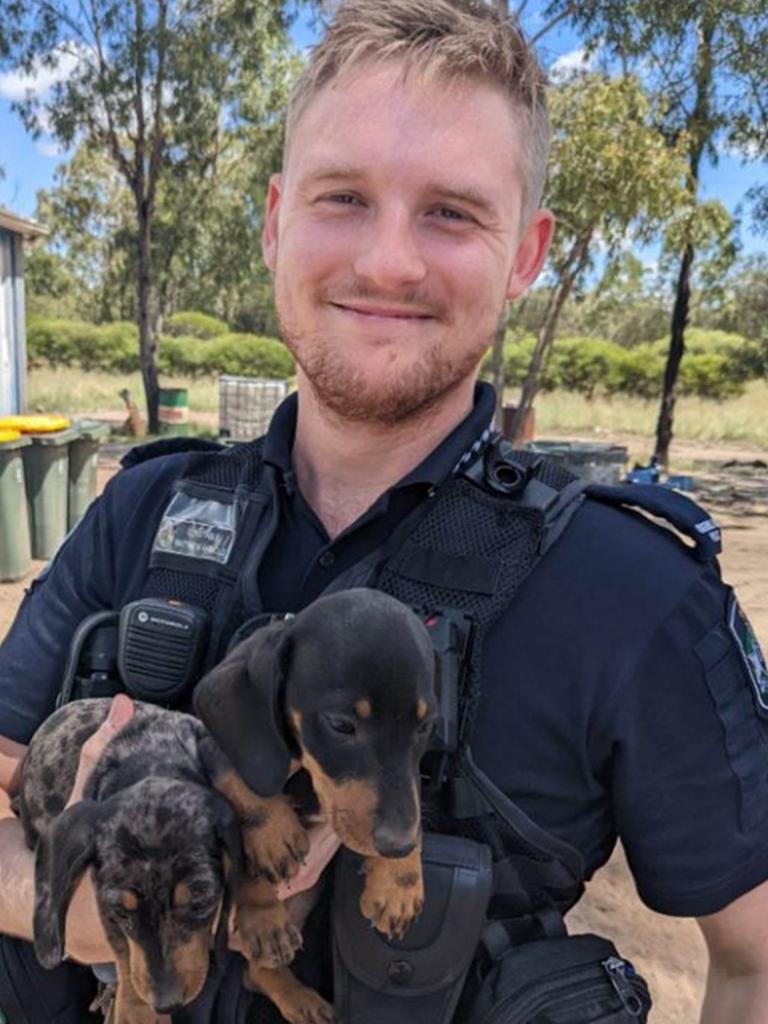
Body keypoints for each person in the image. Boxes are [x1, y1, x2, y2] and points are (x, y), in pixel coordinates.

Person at [2, 1, 768, 1021]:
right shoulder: (143, 509)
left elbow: (756, 960)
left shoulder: (635, 594)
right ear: (277, 220)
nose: (389, 261)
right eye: (343, 197)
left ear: (527, 253)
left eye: (451, 211)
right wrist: (66, 903)